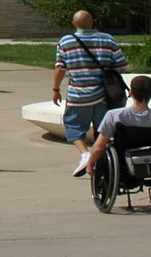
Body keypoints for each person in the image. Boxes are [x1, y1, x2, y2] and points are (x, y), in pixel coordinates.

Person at [53, 10, 129, 177]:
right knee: (103, 130)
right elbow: (121, 64)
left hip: (77, 96)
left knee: (74, 126)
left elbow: (60, 68)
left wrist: (56, 90)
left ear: (74, 24)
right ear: (92, 22)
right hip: (104, 95)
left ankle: (85, 154)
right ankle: (103, 160)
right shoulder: (107, 39)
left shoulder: (65, 41)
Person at [87, 75, 151, 159]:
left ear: (131, 93)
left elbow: (98, 148)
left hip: (123, 159)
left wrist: (90, 165)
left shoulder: (114, 115)